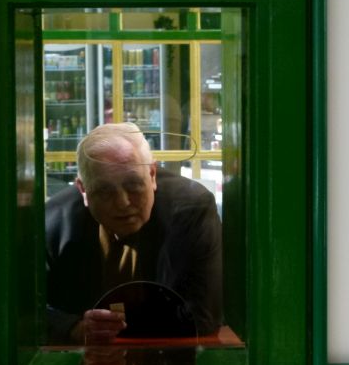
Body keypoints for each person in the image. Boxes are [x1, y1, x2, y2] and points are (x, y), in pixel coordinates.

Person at [45, 122, 223, 344]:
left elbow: (203, 314)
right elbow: (20, 310)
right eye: (105, 191)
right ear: (83, 190)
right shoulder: (54, 220)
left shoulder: (191, 210)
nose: (123, 203)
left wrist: (106, 330)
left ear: (152, 174)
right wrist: (73, 327)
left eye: (133, 185)